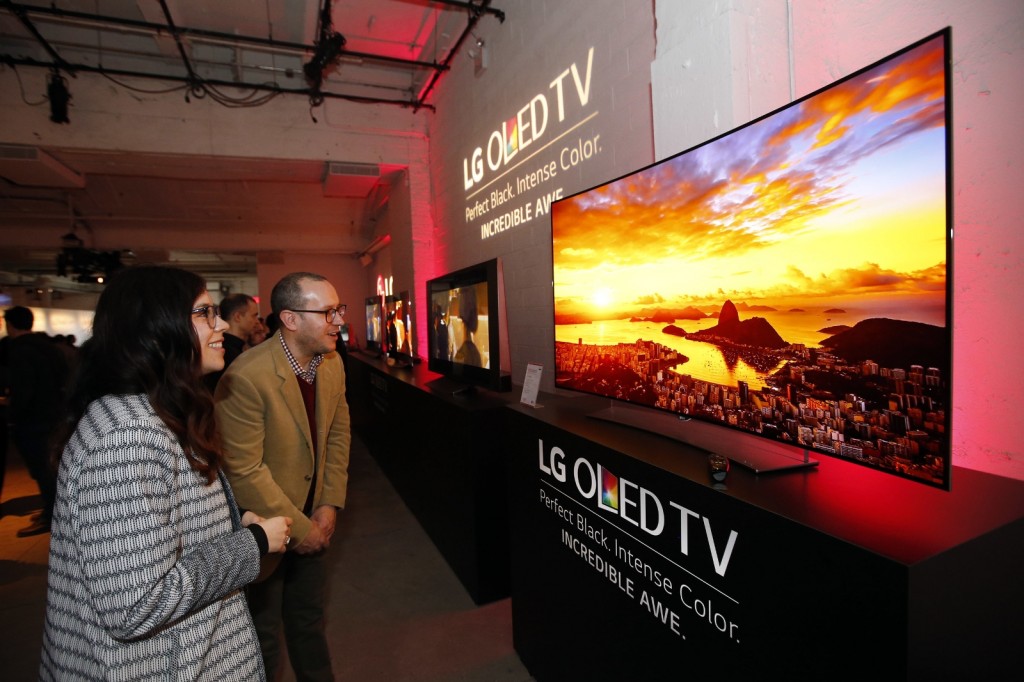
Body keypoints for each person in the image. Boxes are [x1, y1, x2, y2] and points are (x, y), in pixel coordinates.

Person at [39, 266, 293, 681]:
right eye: (204, 313)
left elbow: (165, 528)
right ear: (156, 331)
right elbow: (137, 605)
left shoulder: (157, 413)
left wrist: (233, 524)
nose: (223, 324)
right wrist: (253, 543)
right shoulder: (126, 436)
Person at [215, 271, 351, 682]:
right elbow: (243, 469)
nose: (339, 320)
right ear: (290, 319)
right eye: (328, 312)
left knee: (309, 622)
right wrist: (302, 529)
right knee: (263, 635)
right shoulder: (245, 376)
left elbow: (338, 436)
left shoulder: (331, 364)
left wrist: (329, 503)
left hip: (318, 521)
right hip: (266, 527)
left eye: (338, 310)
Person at [2, 305, 67, 536]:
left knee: (42, 470)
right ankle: (52, 511)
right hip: (55, 414)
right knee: (50, 467)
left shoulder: (20, 352)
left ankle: (51, 515)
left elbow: (24, 390)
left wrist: (12, 415)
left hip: (34, 418)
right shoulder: (49, 348)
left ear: (10, 325)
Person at [204, 292, 261, 389]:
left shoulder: (236, 348)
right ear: (238, 317)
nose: (257, 321)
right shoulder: (223, 352)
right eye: (254, 315)